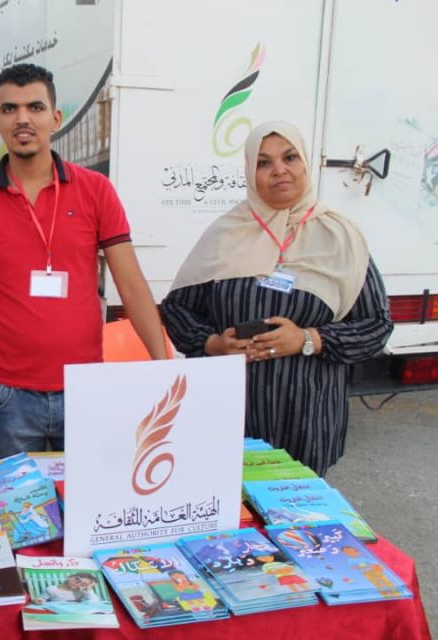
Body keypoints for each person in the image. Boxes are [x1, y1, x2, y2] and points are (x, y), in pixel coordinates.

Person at [0, 63, 167, 460]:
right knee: (17, 501)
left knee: (83, 497)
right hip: (9, 395)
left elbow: (131, 285)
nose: (23, 119)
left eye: (35, 107)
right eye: (10, 109)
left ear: (55, 118)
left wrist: (165, 368)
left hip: (84, 389)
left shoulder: (96, 191)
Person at [160, 122, 393, 476]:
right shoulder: (226, 234)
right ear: (250, 173)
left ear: (305, 164)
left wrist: (308, 339)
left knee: (297, 507)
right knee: (231, 507)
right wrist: (212, 343)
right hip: (229, 418)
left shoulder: (340, 237)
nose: (279, 170)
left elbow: (377, 325)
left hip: (308, 420)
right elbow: (177, 308)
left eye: (290, 157)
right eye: (264, 163)